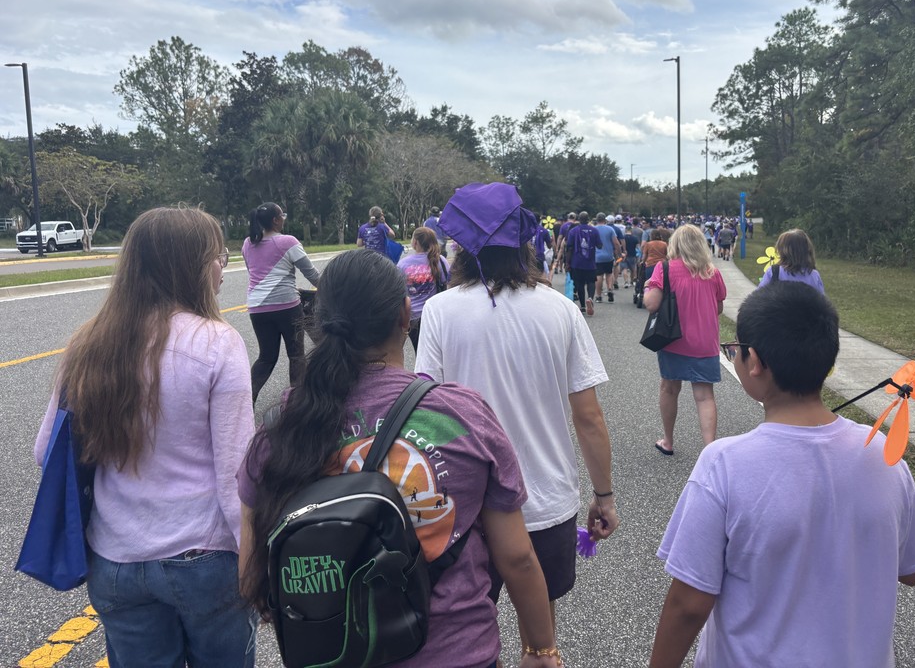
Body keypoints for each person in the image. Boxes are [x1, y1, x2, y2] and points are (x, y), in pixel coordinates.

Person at [239, 250, 561, 668]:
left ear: (318, 322)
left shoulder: (279, 427)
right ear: (405, 315)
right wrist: (539, 649)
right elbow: (517, 557)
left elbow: (252, 573)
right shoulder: (460, 416)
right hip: (456, 653)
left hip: (330, 654)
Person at [649, 283, 915, 668]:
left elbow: (689, 603)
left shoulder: (724, 464)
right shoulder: (885, 456)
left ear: (755, 362)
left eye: (734, 350)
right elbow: (913, 571)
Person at [34, 207, 255, 667]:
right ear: (188, 265)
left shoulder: (87, 343)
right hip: (204, 555)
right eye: (217, 256)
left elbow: (45, 452)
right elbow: (236, 475)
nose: (222, 267)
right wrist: (254, 564)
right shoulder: (218, 342)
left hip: (116, 560)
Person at [416, 183, 618, 649]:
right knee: (541, 636)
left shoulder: (442, 312)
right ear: (525, 243)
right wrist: (603, 495)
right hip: (546, 499)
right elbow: (588, 418)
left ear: (462, 246)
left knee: (466, 628)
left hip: (466, 506)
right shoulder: (561, 311)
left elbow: (427, 404)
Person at [644, 225, 726, 451]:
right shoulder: (712, 272)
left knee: (669, 389)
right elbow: (718, 307)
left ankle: (668, 441)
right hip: (705, 342)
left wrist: (646, 288)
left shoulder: (665, 269)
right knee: (704, 396)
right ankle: (709, 448)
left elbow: (651, 304)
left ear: (675, 245)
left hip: (673, 340)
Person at [242, 202, 320, 404]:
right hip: (286, 306)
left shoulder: (248, 244)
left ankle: (245, 401)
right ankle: (297, 403)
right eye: (282, 215)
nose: (284, 218)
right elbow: (311, 273)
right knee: (296, 355)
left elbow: (254, 272)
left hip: (257, 307)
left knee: (266, 357)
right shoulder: (288, 242)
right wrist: (329, 287)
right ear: (276, 220)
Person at [398, 226, 451, 351]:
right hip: (435, 315)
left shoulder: (403, 264)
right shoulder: (441, 261)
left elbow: (399, 291)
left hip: (413, 318)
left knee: (420, 352)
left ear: (415, 242)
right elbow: (447, 284)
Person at [757, 228, 825, 294]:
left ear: (782, 250)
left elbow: (759, 296)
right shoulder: (813, 275)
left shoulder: (774, 271)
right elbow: (821, 301)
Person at [565, 211, 601, 315]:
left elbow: (569, 248)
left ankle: (583, 306)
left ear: (579, 220)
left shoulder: (573, 231)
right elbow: (599, 245)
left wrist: (567, 262)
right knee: (591, 281)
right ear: (588, 219)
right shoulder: (594, 231)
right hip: (590, 262)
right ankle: (590, 298)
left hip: (577, 262)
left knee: (579, 283)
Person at [593, 213, 622, 303]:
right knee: (609, 273)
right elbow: (616, 243)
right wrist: (619, 253)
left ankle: (598, 295)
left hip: (597, 256)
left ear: (597, 220)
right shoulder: (610, 229)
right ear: (605, 220)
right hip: (609, 256)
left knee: (599, 276)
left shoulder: (594, 229)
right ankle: (610, 289)